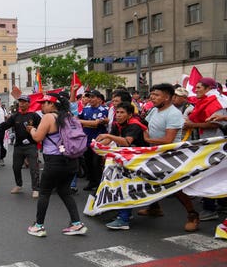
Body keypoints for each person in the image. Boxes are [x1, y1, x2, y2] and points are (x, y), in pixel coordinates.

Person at [139, 83, 200, 232]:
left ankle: (193, 215)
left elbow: (168, 140)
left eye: (156, 95)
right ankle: (155, 207)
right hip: (155, 153)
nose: (152, 97)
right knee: (150, 179)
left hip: (171, 155)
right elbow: (146, 126)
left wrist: (148, 140)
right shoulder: (154, 110)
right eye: (152, 94)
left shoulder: (173, 113)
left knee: (175, 187)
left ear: (167, 97)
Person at [26, 93, 87, 237]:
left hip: (54, 161)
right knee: (64, 191)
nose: (41, 105)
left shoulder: (48, 117)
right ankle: (76, 224)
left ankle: (39, 226)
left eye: (44, 103)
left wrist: (32, 130)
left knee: (44, 192)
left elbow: (37, 137)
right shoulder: (69, 116)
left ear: (52, 104)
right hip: (72, 160)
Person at [96, 101, 148, 230]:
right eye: (117, 112)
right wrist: (98, 145)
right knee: (127, 185)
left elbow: (126, 142)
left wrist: (107, 136)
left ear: (129, 115)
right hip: (127, 159)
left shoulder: (134, 126)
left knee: (126, 186)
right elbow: (110, 140)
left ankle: (124, 219)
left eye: (122, 113)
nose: (118, 115)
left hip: (140, 159)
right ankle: (126, 214)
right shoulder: (117, 124)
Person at [182, 77, 227, 221]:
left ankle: (210, 208)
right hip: (209, 143)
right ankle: (220, 203)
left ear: (208, 88)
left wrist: (193, 125)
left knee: (209, 173)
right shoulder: (205, 101)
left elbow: (215, 124)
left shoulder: (217, 102)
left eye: (198, 88)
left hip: (216, 144)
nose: (195, 90)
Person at [0, 95, 42, 197]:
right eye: (20, 102)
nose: (22, 104)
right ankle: (19, 185)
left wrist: (34, 128)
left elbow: (42, 127)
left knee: (34, 168)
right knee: (16, 167)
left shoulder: (34, 116)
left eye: (24, 102)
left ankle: (36, 188)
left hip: (31, 145)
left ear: (28, 103)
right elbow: (5, 125)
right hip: (18, 146)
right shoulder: (15, 116)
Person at [78, 89, 109, 191]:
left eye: (92, 97)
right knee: (88, 162)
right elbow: (77, 118)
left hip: (98, 141)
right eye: (89, 97)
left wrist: (81, 122)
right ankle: (92, 182)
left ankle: (100, 184)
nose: (90, 99)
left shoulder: (103, 110)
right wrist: (83, 122)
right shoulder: (86, 109)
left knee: (96, 163)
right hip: (86, 141)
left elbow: (96, 123)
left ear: (99, 99)